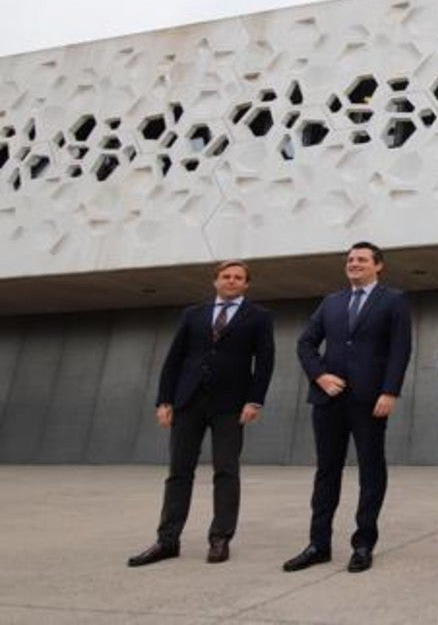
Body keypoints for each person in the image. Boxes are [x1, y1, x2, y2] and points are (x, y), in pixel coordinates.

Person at [128, 260, 275, 567]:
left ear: (246, 285)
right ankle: (167, 541)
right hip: (187, 403)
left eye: (238, 278)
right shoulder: (192, 314)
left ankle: (220, 538)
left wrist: (254, 401)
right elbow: (174, 359)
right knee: (178, 473)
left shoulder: (259, 316)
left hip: (230, 406)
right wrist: (164, 400)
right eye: (226, 276)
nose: (232, 281)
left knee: (226, 471)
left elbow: (264, 362)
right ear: (215, 281)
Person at [285, 241, 413, 574]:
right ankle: (318, 544)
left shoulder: (394, 301)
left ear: (378, 265)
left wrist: (390, 391)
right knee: (327, 471)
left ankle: (363, 543)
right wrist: (321, 376)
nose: (354, 264)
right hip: (329, 399)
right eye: (350, 259)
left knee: (371, 471)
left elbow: (400, 349)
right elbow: (305, 343)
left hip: (370, 400)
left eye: (361, 259)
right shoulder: (332, 302)